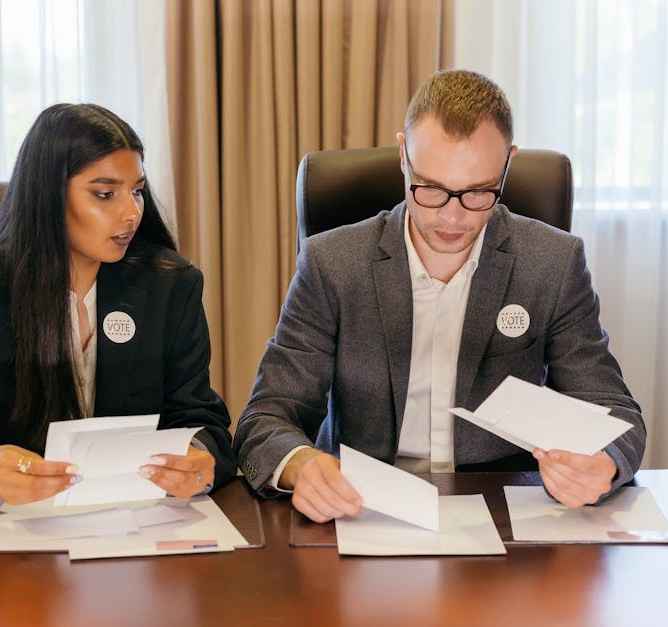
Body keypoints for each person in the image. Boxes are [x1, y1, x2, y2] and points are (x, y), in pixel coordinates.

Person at [233, 69, 646, 523]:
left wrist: (603, 464)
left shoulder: (552, 263)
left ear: (507, 164)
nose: (451, 217)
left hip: (504, 510)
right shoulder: (332, 263)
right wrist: (300, 464)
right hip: (362, 505)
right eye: (429, 188)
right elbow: (265, 418)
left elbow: (617, 415)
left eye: (477, 192)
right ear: (402, 158)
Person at [0, 103, 235, 521]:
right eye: (105, 193)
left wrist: (200, 462)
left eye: (137, 190)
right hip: (7, 544)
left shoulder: (170, 285)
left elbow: (203, 421)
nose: (131, 212)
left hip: (135, 530)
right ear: (49, 196)